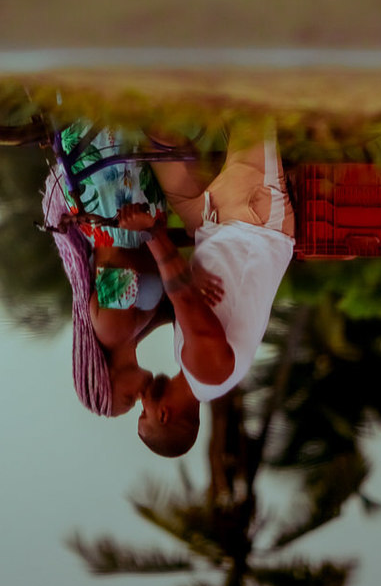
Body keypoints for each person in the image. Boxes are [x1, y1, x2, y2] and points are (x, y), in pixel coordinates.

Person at [119, 128, 296, 457]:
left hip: (210, 224)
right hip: (252, 222)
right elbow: (182, 296)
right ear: (165, 415)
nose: (141, 403)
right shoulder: (208, 374)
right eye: (145, 413)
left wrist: (126, 344)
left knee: (155, 138)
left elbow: (181, 298)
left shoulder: (188, 365)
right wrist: (151, 233)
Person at [42, 124, 174, 417]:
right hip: (123, 194)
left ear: (107, 378)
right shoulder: (132, 332)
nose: (139, 398)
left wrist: (162, 252)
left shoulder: (114, 331)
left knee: (99, 103)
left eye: (127, 399)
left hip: (112, 188)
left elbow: (117, 256)